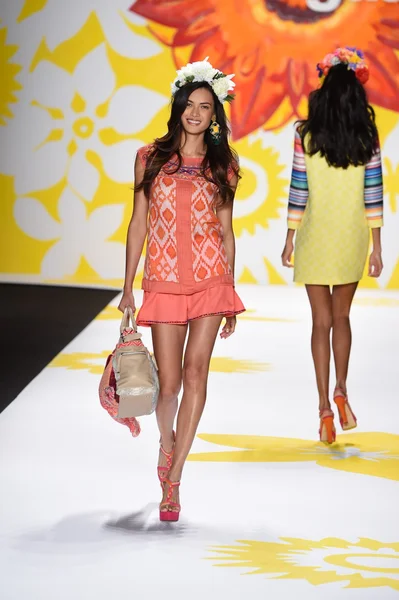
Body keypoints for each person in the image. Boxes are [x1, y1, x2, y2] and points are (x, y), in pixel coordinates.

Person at [118, 58, 245, 521]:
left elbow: (227, 230)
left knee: (196, 377)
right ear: (178, 108)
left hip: (211, 279)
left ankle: (173, 481)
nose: (196, 113)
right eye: (189, 105)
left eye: (205, 107)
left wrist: (229, 290)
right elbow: (138, 224)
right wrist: (128, 285)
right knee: (168, 386)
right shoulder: (149, 157)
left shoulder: (223, 164)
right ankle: (165, 445)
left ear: (215, 116)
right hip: (165, 280)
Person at [281, 47, 383, 444]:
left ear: (323, 90)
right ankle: (342, 389)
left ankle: (324, 406)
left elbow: (298, 190)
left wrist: (290, 237)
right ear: (357, 94)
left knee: (319, 323)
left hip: (315, 235)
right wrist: (376, 245)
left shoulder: (304, 135)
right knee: (342, 319)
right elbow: (372, 193)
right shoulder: (367, 137)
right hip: (351, 237)